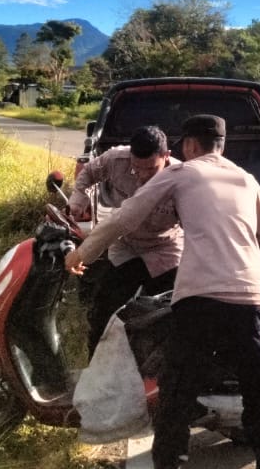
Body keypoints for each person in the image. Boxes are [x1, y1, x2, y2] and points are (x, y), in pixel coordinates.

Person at [65, 114, 260, 469]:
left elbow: (123, 218)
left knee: (176, 394)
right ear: (222, 146)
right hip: (247, 299)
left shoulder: (181, 173)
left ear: (189, 145)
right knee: (258, 388)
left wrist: (81, 254)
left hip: (197, 299)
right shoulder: (246, 180)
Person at [67, 125, 182, 356]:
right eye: (137, 168)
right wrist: (79, 197)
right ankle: (97, 363)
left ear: (166, 156)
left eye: (151, 169)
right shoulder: (115, 158)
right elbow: (88, 173)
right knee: (104, 310)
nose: (143, 175)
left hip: (165, 249)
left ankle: (153, 367)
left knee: (165, 314)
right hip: (126, 245)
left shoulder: (183, 178)